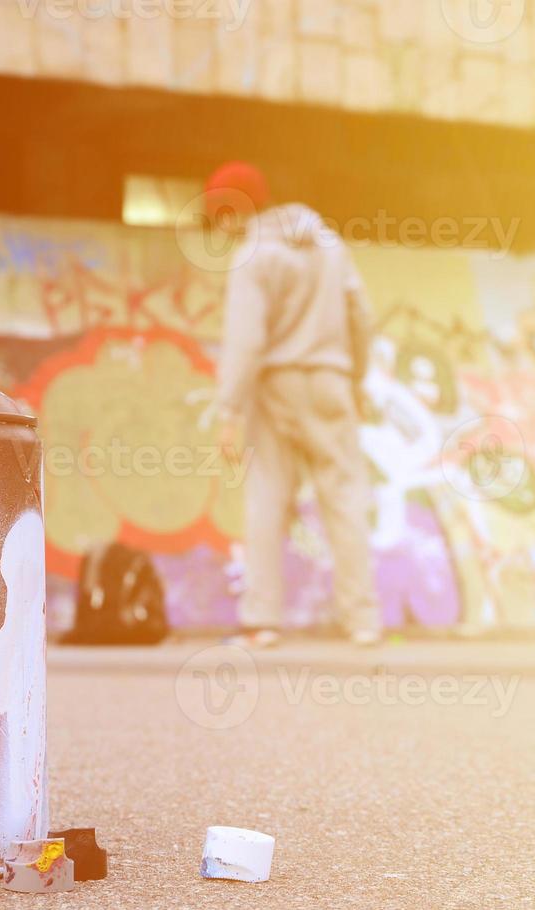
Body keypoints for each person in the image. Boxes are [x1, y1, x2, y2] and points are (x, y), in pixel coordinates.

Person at [203, 161, 382, 649]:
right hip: (331, 378)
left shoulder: (253, 254)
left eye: (221, 213)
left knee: (266, 496)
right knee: (344, 497)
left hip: (276, 384)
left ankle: (262, 621)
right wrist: (356, 377)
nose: (219, 225)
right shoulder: (330, 244)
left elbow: (246, 340)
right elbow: (361, 315)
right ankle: (362, 621)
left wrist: (229, 411)